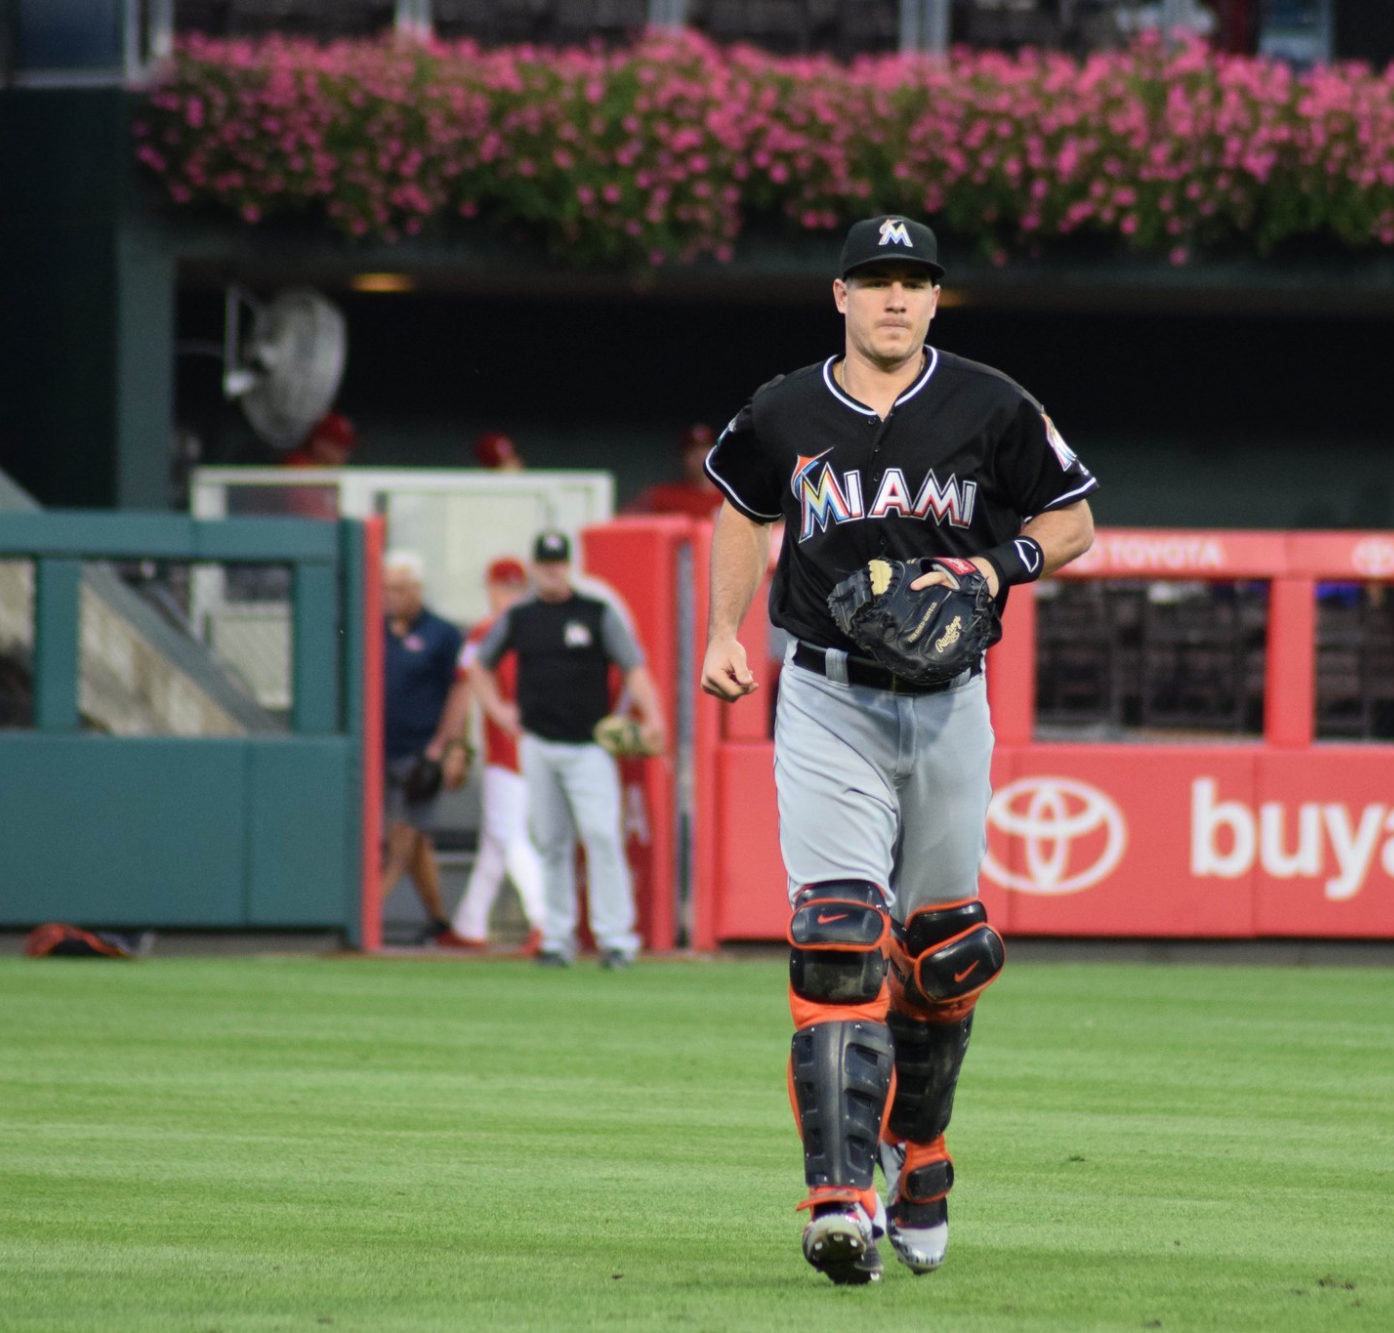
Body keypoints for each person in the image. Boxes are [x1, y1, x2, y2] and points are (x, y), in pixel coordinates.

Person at [699, 215, 1098, 1285]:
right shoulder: (783, 407)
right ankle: (841, 1195)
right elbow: (738, 508)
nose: (894, 298)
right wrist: (721, 629)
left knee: (942, 955)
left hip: (949, 701)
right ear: (839, 296)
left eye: (912, 281)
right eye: (874, 280)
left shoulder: (989, 402)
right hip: (827, 698)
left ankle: (920, 1152)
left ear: (934, 299)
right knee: (837, 937)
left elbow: (1072, 519)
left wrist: (997, 565)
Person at [467, 530, 663, 970]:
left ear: (568, 566)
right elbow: (480, 666)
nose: (551, 572)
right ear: (535, 568)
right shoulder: (521, 616)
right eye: (545, 564)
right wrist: (499, 711)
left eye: (557, 564)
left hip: (589, 744)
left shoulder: (595, 614)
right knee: (550, 841)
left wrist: (653, 718)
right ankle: (558, 937)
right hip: (537, 742)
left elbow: (634, 668)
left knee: (602, 836)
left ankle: (616, 939)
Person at [445, 556, 550, 954]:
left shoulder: (486, 631)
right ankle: (469, 924)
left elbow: (464, 689)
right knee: (496, 839)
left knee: (509, 837)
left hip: (506, 747)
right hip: (539, 740)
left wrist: (452, 743)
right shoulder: (537, 625)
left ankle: (545, 919)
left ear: (492, 588)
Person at [379, 550, 471, 943]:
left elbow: (460, 689)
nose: (392, 596)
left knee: (402, 836)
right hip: (377, 750)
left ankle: (368, 915)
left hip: (421, 752)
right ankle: (439, 922)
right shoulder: (372, 629)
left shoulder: (442, 633)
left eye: (400, 589)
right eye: (387, 588)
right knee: (417, 844)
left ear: (418, 589)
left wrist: (451, 746)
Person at [627, 424, 722, 518]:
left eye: (706, 449)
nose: (700, 456)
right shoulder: (662, 496)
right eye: (693, 451)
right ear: (682, 458)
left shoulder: (732, 496)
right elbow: (626, 522)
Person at [283, 411, 358, 468]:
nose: (343, 454)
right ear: (319, 443)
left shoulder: (335, 471)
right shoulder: (298, 465)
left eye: (346, 448)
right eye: (338, 446)